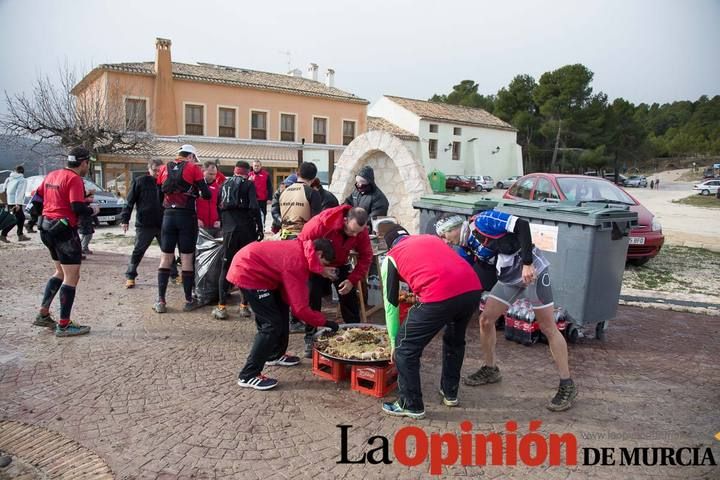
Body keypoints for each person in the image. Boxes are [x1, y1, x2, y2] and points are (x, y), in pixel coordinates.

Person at [453, 209, 576, 412]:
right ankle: (491, 369)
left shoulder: (482, 221)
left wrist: (527, 263)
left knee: (547, 327)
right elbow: (468, 272)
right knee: (486, 319)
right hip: (510, 275)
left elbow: (522, 225)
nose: (444, 240)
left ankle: (567, 384)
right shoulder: (467, 244)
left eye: (443, 234)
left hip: (532, 270)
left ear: (454, 228)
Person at [380, 225, 482, 419]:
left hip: (440, 295)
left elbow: (391, 305)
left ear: (389, 246)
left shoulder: (391, 257)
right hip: (471, 288)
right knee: (454, 340)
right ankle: (450, 392)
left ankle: (410, 404)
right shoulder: (430, 239)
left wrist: (394, 341)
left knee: (405, 347)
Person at [227, 238, 340, 390]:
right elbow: (301, 309)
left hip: (261, 270)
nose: (323, 268)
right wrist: (325, 322)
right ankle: (248, 375)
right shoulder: (297, 262)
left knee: (281, 310)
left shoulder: (304, 249)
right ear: (319, 254)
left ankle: (274, 355)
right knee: (271, 325)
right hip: (248, 270)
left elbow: (292, 298)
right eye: (324, 264)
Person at [32, 146, 100, 336]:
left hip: (46, 228)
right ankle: (64, 324)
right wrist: (92, 209)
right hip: (64, 231)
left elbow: (37, 199)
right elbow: (76, 207)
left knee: (59, 271)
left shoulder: (52, 175)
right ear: (83, 162)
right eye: (88, 163)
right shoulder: (74, 179)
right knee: (72, 276)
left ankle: (43, 313)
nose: (87, 167)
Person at [297, 206, 372, 357]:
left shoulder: (360, 231)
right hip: (316, 264)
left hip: (340, 264)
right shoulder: (321, 223)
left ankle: (356, 332)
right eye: (352, 231)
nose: (355, 235)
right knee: (313, 298)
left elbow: (366, 256)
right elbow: (302, 245)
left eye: (358, 232)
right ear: (345, 220)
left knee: (349, 297)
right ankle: (310, 336)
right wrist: (319, 269)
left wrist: (352, 280)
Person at [153, 144, 211, 313]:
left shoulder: (164, 168)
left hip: (168, 217)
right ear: (191, 157)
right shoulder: (193, 168)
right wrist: (196, 193)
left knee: (165, 258)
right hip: (186, 217)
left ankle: (161, 301)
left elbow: (159, 196)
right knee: (186, 259)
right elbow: (206, 194)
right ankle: (188, 299)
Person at [212, 161, 264, 320]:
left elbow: (218, 208)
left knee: (226, 267)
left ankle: (221, 307)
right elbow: (255, 208)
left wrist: (224, 224)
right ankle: (244, 306)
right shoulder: (248, 185)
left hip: (229, 231)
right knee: (246, 267)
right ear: (247, 172)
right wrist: (259, 228)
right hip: (246, 231)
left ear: (235, 171)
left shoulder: (223, 185)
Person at [122, 159, 178, 288]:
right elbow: (130, 201)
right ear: (149, 169)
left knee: (168, 250)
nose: (158, 173)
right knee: (138, 250)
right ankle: (130, 275)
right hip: (144, 223)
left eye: (160, 170)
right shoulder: (140, 181)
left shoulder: (166, 182)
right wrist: (125, 219)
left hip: (163, 222)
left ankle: (174, 275)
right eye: (155, 170)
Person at [276, 162, 322, 239]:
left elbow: (277, 213)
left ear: (297, 174)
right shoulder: (312, 193)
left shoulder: (284, 191)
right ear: (314, 179)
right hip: (302, 238)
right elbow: (316, 221)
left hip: (283, 237)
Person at [1, 165, 31, 243]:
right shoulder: (22, 180)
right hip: (16, 202)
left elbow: (4, 189)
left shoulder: (9, 178)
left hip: (9, 202)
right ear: (22, 172)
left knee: (18, 218)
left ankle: (19, 235)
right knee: (17, 219)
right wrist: (18, 204)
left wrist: (6, 201)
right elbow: (19, 192)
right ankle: (4, 234)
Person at [196, 161, 222, 236]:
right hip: (199, 225)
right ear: (203, 171)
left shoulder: (218, 188)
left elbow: (220, 206)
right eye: (210, 174)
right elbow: (189, 205)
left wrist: (219, 220)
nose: (213, 176)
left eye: (214, 174)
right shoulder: (195, 186)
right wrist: (195, 219)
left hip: (214, 226)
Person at [248, 160, 273, 227]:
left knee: (263, 214)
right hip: (252, 199)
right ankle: (253, 227)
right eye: (255, 166)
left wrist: (269, 198)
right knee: (252, 214)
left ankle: (262, 226)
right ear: (252, 166)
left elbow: (269, 187)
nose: (256, 167)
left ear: (260, 166)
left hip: (262, 199)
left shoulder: (266, 174)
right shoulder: (249, 175)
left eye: (258, 166)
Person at [78, 187, 96, 257]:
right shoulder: (84, 205)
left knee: (85, 235)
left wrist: (96, 222)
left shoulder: (89, 204)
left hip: (87, 222)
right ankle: (83, 248)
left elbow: (93, 215)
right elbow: (85, 213)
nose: (92, 199)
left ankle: (83, 247)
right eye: (91, 197)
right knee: (87, 235)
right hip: (84, 223)